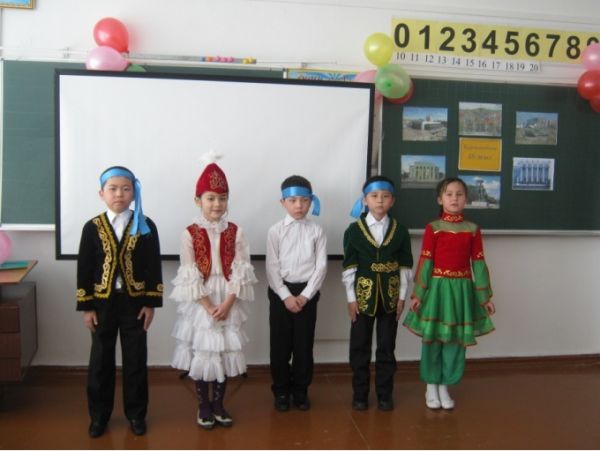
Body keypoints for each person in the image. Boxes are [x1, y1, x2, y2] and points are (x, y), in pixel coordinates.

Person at [170, 154, 257, 430]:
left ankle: (219, 403)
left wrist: (228, 303)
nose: (217, 204)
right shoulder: (189, 233)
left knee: (225, 349)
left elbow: (242, 270)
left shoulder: (237, 232)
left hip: (228, 297)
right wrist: (208, 306)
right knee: (204, 349)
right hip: (202, 299)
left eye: (222, 198)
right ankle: (203, 405)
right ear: (198, 200)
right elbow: (189, 273)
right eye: (210, 198)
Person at [76, 166, 163, 438]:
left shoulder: (145, 225)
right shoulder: (92, 227)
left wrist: (150, 303)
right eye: (112, 189)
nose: (119, 194)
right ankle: (99, 416)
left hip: (134, 304)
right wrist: (87, 306)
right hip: (102, 304)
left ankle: (136, 415)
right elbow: (84, 268)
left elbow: (153, 266)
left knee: (135, 359)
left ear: (134, 193)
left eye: (126, 189)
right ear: (101, 193)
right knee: (100, 360)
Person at [403, 177, 496, 410]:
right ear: (440, 199)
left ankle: (445, 384)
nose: (454, 198)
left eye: (459, 194)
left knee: (455, 339)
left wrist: (484, 297)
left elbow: (478, 264)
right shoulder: (433, 228)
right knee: (433, 338)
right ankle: (431, 385)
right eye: (449, 194)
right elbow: (426, 261)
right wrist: (418, 294)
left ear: (466, 199)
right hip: (437, 290)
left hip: (462, 291)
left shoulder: (472, 230)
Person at [342, 175, 413, 411]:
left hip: (390, 298)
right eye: (374, 196)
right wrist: (351, 299)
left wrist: (401, 297)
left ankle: (385, 394)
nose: (379, 201)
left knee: (386, 347)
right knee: (359, 347)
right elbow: (349, 268)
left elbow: (405, 266)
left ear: (393, 200)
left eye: (385, 196)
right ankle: (360, 394)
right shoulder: (354, 231)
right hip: (363, 298)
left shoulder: (400, 231)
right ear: (365, 200)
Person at [266, 175, 327, 412]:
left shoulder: (317, 231)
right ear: (283, 202)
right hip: (280, 293)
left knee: (303, 346)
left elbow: (321, 267)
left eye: (304, 200)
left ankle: (301, 390)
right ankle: (281, 390)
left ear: (311, 201)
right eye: (293, 201)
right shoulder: (275, 231)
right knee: (280, 345)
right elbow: (272, 267)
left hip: (307, 295)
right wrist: (286, 296)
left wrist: (305, 295)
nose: (299, 205)